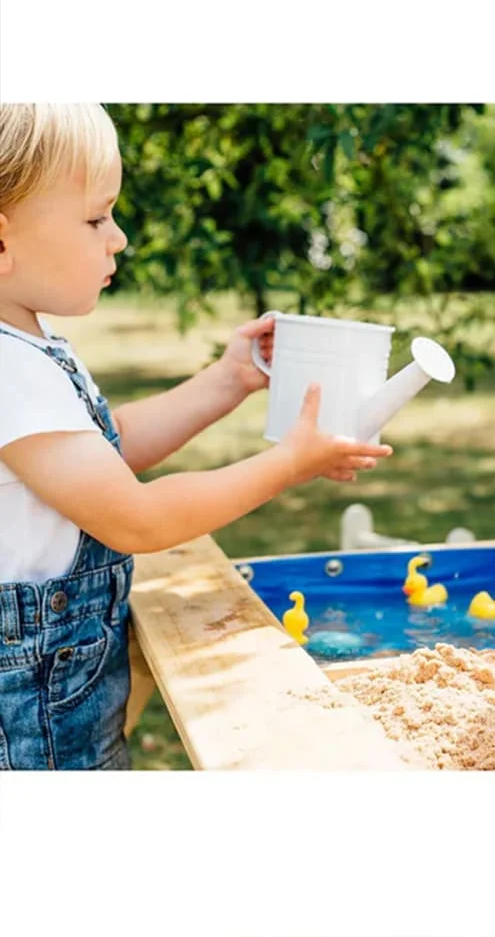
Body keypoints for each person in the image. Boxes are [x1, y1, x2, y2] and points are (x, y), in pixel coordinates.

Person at [0, 103, 393, 769]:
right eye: (97, 217)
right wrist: (286, 465)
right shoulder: (11, 369)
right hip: (32, 737)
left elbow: (110, 444)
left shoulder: (29, 348)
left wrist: (227, 379)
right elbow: (138, 519)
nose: (117, 237)